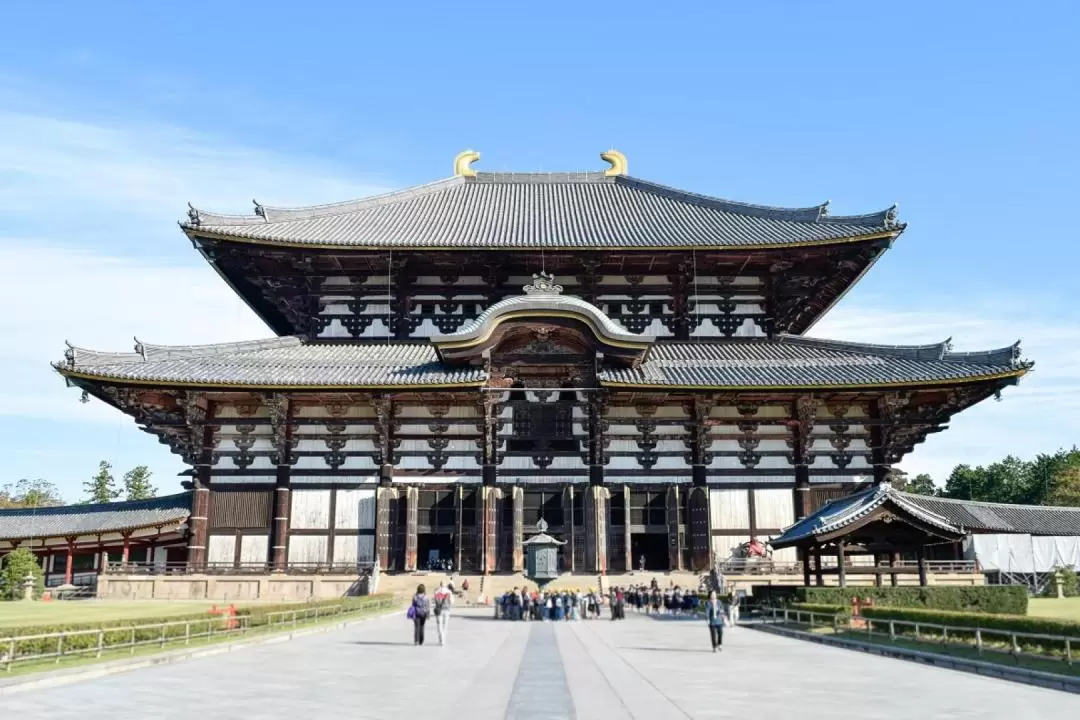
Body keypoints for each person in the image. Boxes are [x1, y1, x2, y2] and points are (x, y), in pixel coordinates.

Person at [433, 581, 453, 646]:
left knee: (439, 625)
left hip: (439, 610)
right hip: (447, 610)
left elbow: (434, 601)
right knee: (445, 625)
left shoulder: (436, 591)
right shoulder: (449, 592)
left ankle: (441, 638)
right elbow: (452, 601)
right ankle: (443, 639)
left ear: (440, 584)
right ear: (445, 585)